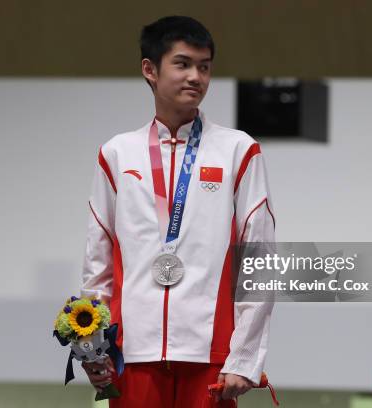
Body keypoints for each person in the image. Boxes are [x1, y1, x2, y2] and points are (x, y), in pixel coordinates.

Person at [80, 16, 275, 407]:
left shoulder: (239, 150)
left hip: (211, 356)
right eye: (183, 64)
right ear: (150, 70)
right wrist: (93, 347)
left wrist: (244, 358)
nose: (196, 77)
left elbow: (260, 260)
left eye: (204, 67)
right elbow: (97, 260)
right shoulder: (117, 154)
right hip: (132, 354)